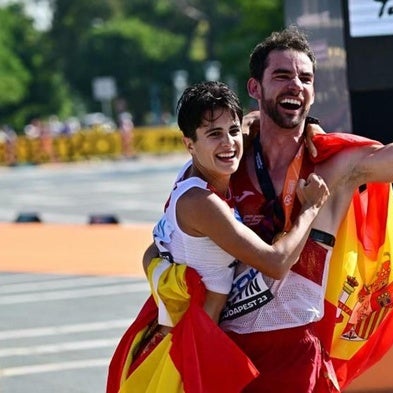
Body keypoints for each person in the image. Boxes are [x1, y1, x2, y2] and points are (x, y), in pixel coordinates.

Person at [126, 8, 393, 393]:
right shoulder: (225, 162)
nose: (296, 85)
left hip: (295, 358)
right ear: (255, 88)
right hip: (225, 353)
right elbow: (161, 246)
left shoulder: (335, 167)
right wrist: (172, 289)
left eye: (305, 78)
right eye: (282, 76)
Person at [107, 81, 330, 393]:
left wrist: (308, 124)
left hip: (187, 340)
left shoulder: (193, 175)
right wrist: (312, 208)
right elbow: (276, 263)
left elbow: (252, 122)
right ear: (189, 144)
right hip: (185, 358)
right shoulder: (203, 203)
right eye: (214, 135)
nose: (229, 143)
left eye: (232, 131)